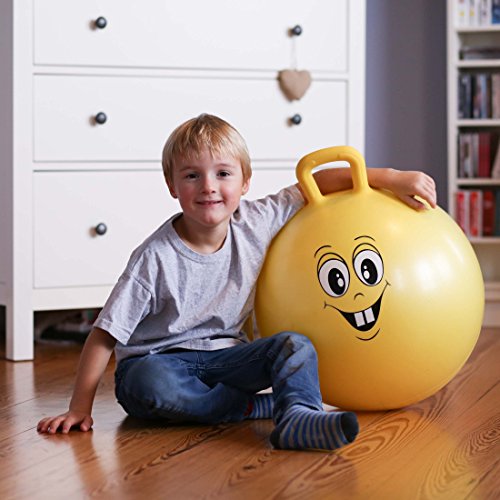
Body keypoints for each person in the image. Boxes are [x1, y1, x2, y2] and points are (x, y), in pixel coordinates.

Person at [37, 114, 437, 451]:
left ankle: (299, 415)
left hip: (228, 360)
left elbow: (317, 184)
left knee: (293, 345)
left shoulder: (257, 220)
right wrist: (79, 408)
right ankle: (251, 409)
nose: (209, 186)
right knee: (149, 384)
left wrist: (391, 177)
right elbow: (104, 336)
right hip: (160, 362)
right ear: (173, 187)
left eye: (223, 174)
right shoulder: (153, 258)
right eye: (192, 176)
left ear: (245, 183)